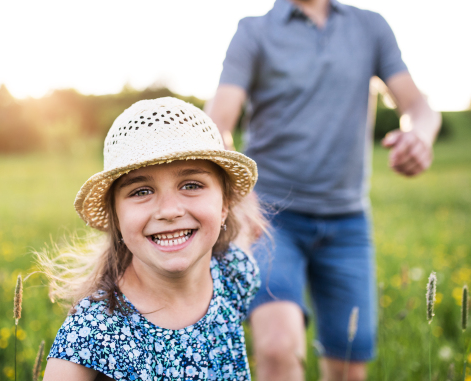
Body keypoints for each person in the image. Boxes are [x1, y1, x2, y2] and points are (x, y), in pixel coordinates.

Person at [206, 0, 441, 380]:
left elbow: (418, 105)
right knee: (278, 349)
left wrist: (420, 136)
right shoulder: (254, 31)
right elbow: (218, 123)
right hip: (270, 218)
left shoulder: (370, 27)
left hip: (347, 222)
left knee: (348, 366)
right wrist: (237, 194)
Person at [38, 97, 267, 380]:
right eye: (141, 191)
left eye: (192, 185)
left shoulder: (234, 273)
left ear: (224, 206)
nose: (169, 211)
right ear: (116, 217)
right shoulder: (93, 331)